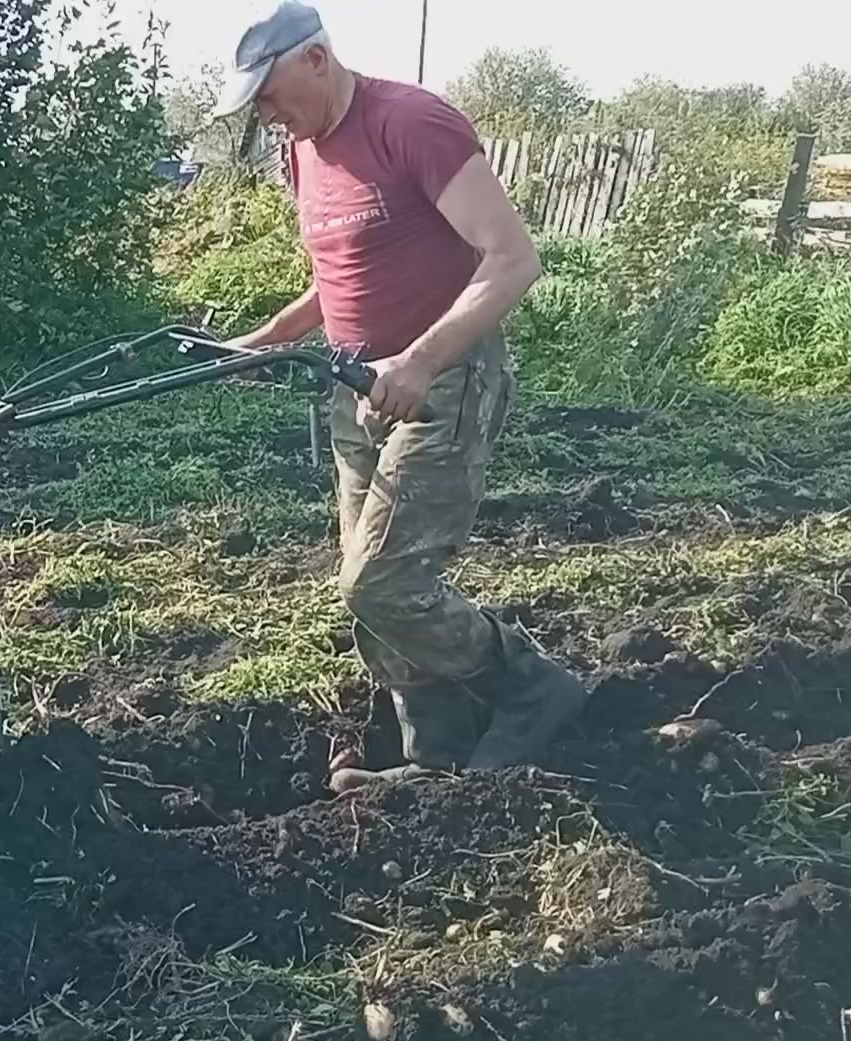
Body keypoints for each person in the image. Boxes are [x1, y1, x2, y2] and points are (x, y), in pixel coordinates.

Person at [209, 2, 585, 792]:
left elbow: (513, 258)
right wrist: (267, 339)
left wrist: (418, 360)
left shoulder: (412, 123)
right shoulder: (304, 152)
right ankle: (434, 758)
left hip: (445, 377)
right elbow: (343, 273)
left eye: (268, 94)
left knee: (380, 580)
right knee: (368, 593)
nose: (266, 116)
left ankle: (528, 687)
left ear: (314, 58)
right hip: (358, 386)